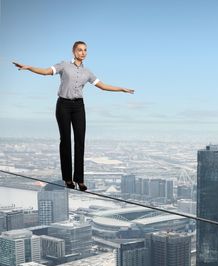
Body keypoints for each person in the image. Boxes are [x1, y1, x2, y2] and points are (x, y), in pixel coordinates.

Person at [13, 41, 134, 191]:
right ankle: (68, 179)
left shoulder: (87, 72)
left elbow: (102, 86)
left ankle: (79, 179)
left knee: (80, 141)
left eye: (85, 50)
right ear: (73, 51)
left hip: (78, 106)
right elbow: (45, 72)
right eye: (80, 50)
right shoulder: (64, 65)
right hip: (63, 105)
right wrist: (29, 67)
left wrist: (121, 89)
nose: (83, 53)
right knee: (65, 141)